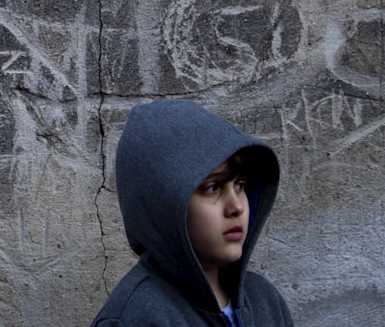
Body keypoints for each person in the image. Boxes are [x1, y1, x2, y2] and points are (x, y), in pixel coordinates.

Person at [90, 98, 293, 326]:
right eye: (212, 188)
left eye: (240, 184)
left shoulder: (265, 301)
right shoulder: (136, 319)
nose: (237, 206)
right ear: (164, 205)